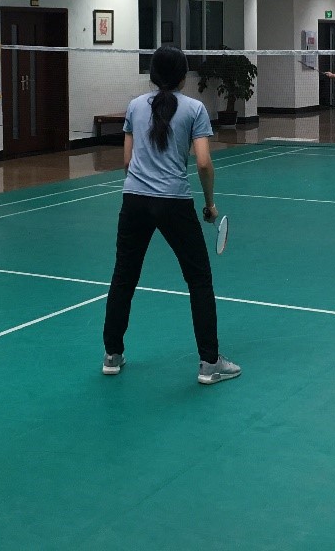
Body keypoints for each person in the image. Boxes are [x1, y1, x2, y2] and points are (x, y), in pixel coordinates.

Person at [102, 45, 240, 385]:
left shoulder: (135, 106)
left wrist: (141, 186)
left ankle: (112, 355)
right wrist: (210, 204)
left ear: (152, 75)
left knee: (124, 275)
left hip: (134, 199)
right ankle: (209, 362)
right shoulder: (195, 109)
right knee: (198, 278)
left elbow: (127, 162)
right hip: (173, 202)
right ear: (182, 76)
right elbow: (203, 163)